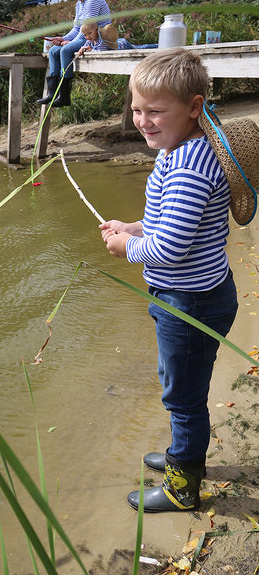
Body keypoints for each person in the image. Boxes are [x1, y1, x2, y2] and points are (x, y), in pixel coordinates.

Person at [99, 48, 239, 513]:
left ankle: (183, 487)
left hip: (190, 301)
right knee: (180, 381)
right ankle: (186, 453)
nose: (143, 120)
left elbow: (169, 249)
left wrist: (127, 248)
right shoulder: (184, 150)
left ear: (195, 107)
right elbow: (168, 224)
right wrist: (133, 226)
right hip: (195, 295)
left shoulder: (186, 167)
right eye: (137, 109)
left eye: (155, 111)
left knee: (183, 396)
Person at [37, 0, 111, 108]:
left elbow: (88, 29)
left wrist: (70, 43)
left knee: (65, 50)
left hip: (96, 38)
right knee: (54, 51)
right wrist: (63, 38)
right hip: (85, 36)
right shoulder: (79, 4)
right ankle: (52, 94)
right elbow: (77, 29)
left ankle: (64, 97)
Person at [76, 22, 158, 55]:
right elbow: (85, 46)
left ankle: (157, 46)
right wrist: (82, 49)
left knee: (140, 48)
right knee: (139, 47)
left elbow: (101, 53)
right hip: (117, 42)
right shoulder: (90, 41)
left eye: (89, 33)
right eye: (85, 35)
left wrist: (91, 50)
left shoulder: (102, 41)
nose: (88, 37)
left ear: (96, 30)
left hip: (123, 45)